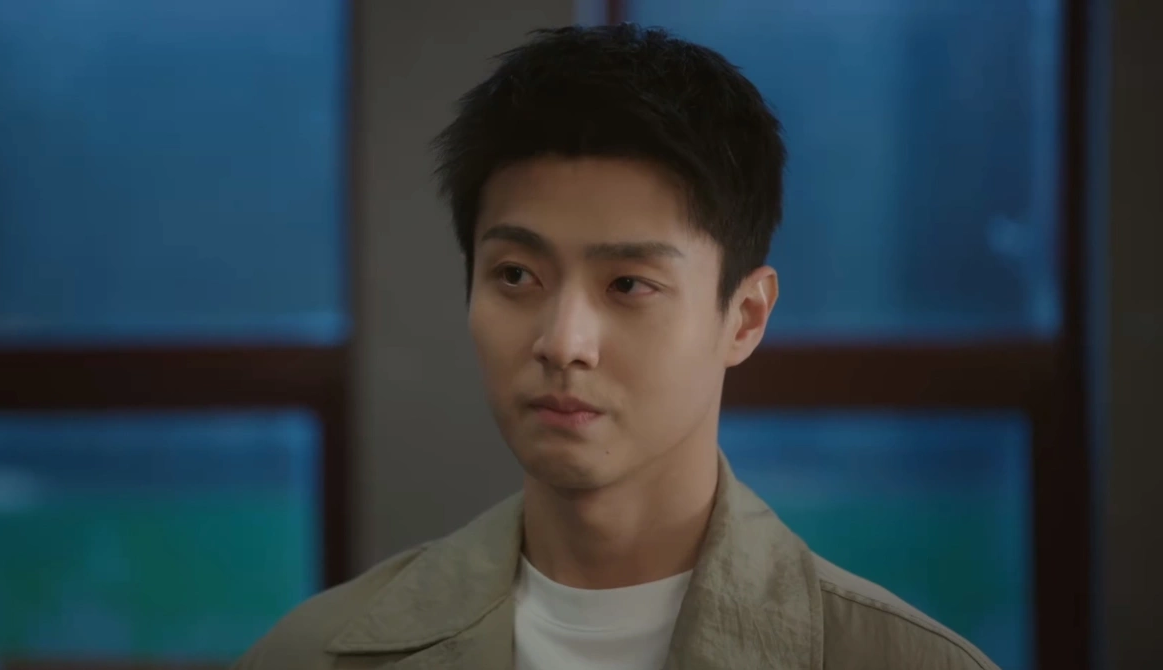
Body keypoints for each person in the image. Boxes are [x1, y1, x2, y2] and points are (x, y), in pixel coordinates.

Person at [233, 24, 1000, 670]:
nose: (563, 342)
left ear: (744, 318)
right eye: (516, 275)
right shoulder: (308, 656)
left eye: (629, 284)